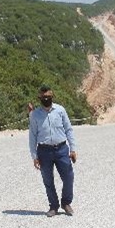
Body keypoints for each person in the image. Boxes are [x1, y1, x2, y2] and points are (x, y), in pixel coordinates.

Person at [29, 84, 77, 217]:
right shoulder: (35, 115)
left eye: (48, 96)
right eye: (43, 97)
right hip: (44, 151)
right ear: (39, 97)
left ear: (52, 96)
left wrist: (73, 148)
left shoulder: (60, 110)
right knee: (48, 180)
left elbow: (68, 129)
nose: (46, 99)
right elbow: (32, 135)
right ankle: (53, 206)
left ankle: (66, 203)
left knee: (68, 177)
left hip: (61, 149)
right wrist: (34, 156)